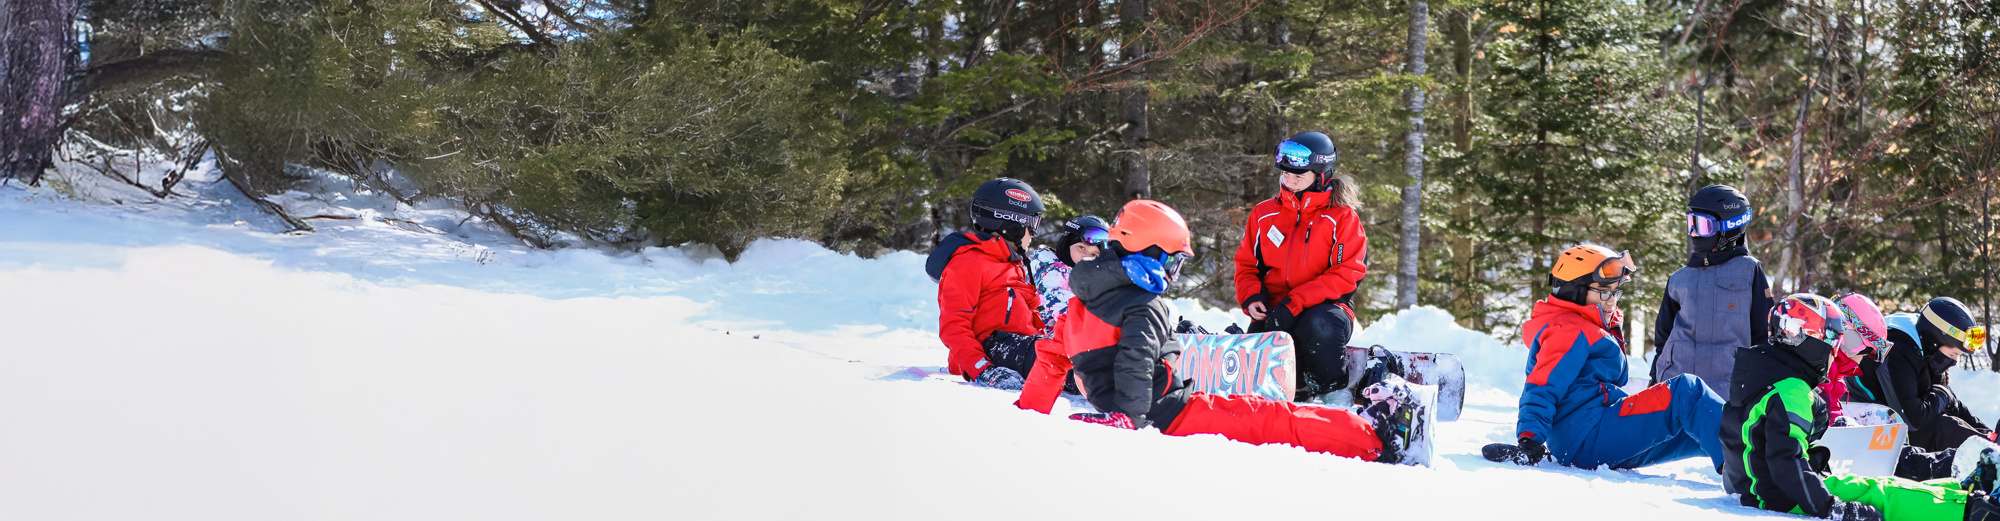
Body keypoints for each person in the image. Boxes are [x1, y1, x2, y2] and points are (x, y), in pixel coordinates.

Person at [1016, 200, 1420, 464]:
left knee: (1260, 410)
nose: (1173, 275)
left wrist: (1028, 413)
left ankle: (1361, 428)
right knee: (1276, 420)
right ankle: (1375, 437)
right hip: (1169, 413)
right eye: (1173, 263)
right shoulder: (1142, 304)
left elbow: (1052, 358)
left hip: (1155, 404)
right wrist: (1129, 419)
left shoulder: (1081, 300)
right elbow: (1135, 362)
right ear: (1149, 252)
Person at [1721, 294, 2000, 521]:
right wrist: (1832, 508)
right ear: (1811, 344)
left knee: (1887, 480)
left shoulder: (1766, 377)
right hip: (1786, 495)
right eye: (1832, 343)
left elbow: (1753, 444)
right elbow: (1787, 463)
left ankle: (1961, 490)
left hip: (1779, 488)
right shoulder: (1791, 391)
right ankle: (1966, 509)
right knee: (1882, 492)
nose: (1836, 352)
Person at [1484, 244, 1727, 471]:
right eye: (1603, 292)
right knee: (1687, 391)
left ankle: (1756, 455)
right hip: (1586, 435)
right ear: (1575, 290)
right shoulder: (1568, 329)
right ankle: (1745, 471)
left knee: (1702, 424)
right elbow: (1542, 386)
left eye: (1615, 293)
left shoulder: (1588, 326)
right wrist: (1530, 441)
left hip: (1595, 433)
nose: (1611, 301)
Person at [1233, 131, 1368, 401]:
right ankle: (1294, 389)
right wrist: (1251, 297)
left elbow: (1346, 274)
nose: (1291, 181)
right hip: (1275, 311)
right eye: (1286, 174)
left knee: (1318, 323)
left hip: (1325, 309)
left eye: (1299, 176)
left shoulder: (1342, 218)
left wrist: (1294, 303)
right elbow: (1247, 264)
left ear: (1321, 175)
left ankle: (1333, 392)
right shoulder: (1264, 213)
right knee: (1259, 338)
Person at [925, 177, 1048, 390]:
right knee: (1067, 363)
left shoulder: (1011, 264)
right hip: (993, 351)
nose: (1034, 235)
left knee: (1081, 353)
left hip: (1023, 347)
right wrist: (984, 370)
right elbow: (953, 327)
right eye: (1032, 226)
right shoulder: (968, 263)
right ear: (1012, 226)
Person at [1654, 184, 1774, 402]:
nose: (1694, 234)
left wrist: (1759, 388)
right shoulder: (1679, 278)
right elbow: (1663, 339)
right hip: (1675, 390)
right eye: (1691, 225)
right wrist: (1655, 380)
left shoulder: (1748, 271)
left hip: (1725, 394)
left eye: (1702, 226)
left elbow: (1763, 335)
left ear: (1729, 227)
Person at [1854, 297, 1996, 453]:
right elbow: (1913, 419)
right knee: (1942, 429)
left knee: (1946, 422)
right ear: (1935, 342)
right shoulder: (1897, 350)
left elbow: (1949, 402)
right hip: (1862, 424)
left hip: (1890, 419)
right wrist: (1944, 394)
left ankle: (1992, 451)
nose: (1954, 361)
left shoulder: (1925, 346)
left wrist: (1988, 435)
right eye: (1953, 354)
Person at [1027, 215, 1110, 335]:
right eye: (1082, 248)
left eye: (1094, 255)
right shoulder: (1052, 273)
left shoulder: (1066, 271)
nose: (1086, 257)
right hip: (1040, 345)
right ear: (1066, 244)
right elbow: (1071, 315)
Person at [1825, 293, 1892, 421]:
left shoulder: (1834, 367)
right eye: (1868, 352)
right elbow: (1822, 413)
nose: (1863, 359)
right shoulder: (1825, 366)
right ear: (1851, 340)